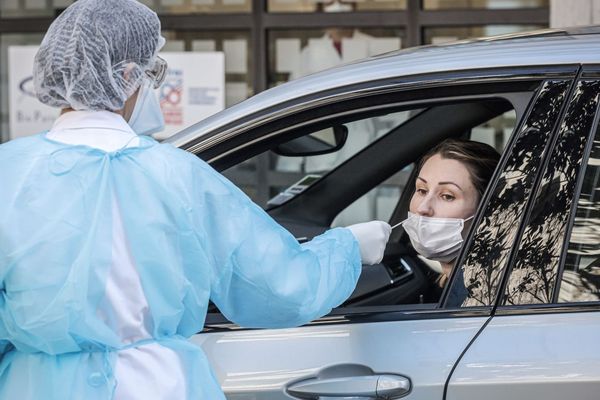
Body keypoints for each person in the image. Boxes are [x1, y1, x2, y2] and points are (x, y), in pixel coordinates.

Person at [0, 1, 392, 399]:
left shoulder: (8, 173)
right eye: (152, 72)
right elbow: (277, 287)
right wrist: (346, 248)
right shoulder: (178, 175)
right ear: (130, 76)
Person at [402, 138, 501, 292]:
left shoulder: (488, 293)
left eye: (447, 196)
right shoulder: (456, 284)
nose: (423, 208)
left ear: (488, 210)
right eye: (422, 190)